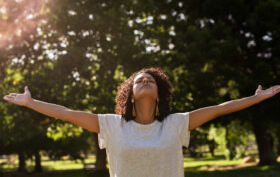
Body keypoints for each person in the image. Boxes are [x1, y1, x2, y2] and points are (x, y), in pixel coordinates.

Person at [3, 67, 280, 177]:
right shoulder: (111, 125)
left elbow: (221, 108)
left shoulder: (176, 123)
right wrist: (31, 103)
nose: (146, 81)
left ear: (159, 93)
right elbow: (67, 113)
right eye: (139, 80)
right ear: (130, 94)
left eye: (151, 80)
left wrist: (255, 99)